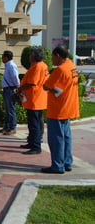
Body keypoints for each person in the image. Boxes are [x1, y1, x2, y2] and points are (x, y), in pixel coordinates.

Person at [41, 46, 79, 174]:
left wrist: (50, 87)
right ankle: (67, 162)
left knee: (56, 139)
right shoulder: (72, 66)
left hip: (58, 109)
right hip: (68, 107)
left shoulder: (60, 70)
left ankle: (57, 165)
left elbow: (46, 86)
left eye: (52, 57)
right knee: (66, 137)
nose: (51, 59)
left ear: (58, 56)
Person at [17, 48, 49, 155]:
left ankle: (35, 146)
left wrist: (20, 89)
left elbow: (31, 83)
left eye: (31, 54)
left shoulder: (37, 67)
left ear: (34, 56)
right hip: (38, 99)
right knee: (35, 123)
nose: (29, 56)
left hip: (35, 99)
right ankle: (32, 142)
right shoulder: (43, 65)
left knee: (34, 123)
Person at [0, 50, 20, 135]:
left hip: (10, 89)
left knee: (11, 109)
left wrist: (17, 87)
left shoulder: (11, 66)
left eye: (3, 57)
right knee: (7, 109)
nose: (2, 59)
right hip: (7, 89)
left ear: (6, 58)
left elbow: (15, 77)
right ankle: (7, 126)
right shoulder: (8, 65)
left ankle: (12, 127)